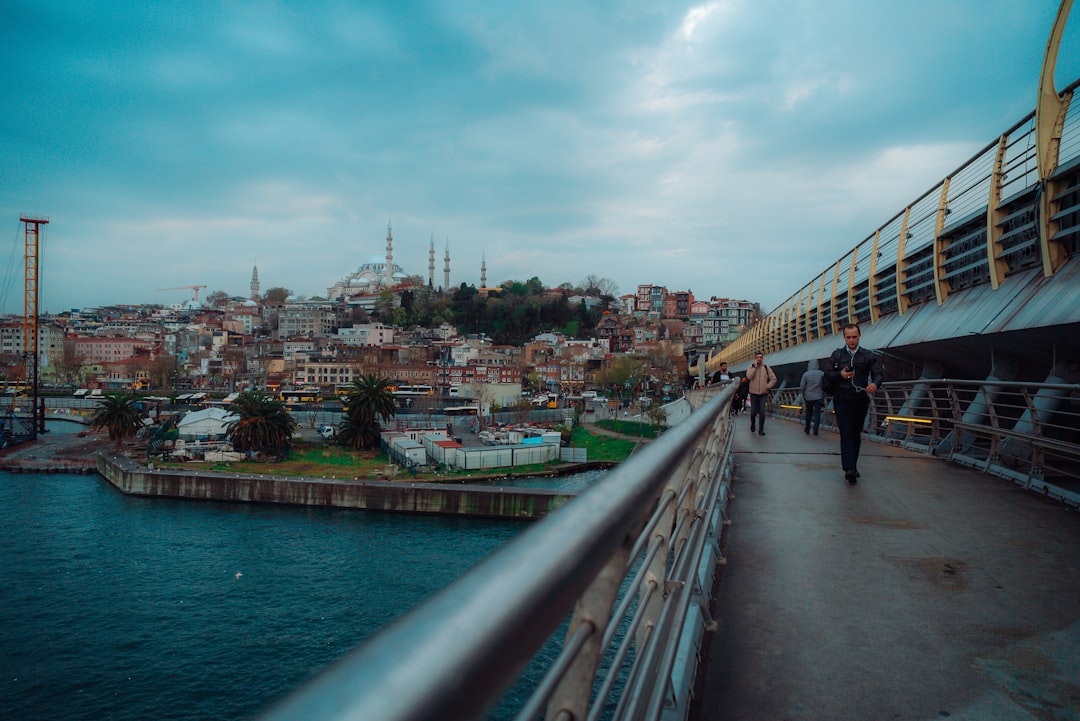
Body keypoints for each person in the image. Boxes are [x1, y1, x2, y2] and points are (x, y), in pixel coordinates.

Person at [823, 323, 883, 483]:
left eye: (854, 337)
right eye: (848, 337)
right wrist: (840, 375)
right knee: (846, 432)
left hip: (860, 399)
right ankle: (849, 468)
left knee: (856, 434)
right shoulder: (837, 355)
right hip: (842, 398)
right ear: (844, 337)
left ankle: (853, 465)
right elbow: (828, 374)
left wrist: (875, 384)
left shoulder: (868, 355)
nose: (851, 340)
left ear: (859, 336)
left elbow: (878, 374)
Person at [745, 351, 777, 435]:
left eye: (761, 357)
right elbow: (749, 376)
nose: (759, 359)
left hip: (763, 393)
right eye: (758, 357)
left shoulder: (766, 368)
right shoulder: (751, 367)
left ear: (762, 358)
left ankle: (761, 429)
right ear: (755, 358)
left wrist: (767, 386)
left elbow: (774, 379)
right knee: (753, 412)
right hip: (753, 393)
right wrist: (755, 367)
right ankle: (752, 424)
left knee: (762, 411)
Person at [799, 358, 825, 435]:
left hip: (809, 397)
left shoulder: (806, 374)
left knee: (809, 413)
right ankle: (815, 430)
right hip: (819, 396)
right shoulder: (822, 373)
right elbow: (824, 385)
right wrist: (823, 394)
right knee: (817, 413)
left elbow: (802, 387)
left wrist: (804, 394)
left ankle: (807, 428)